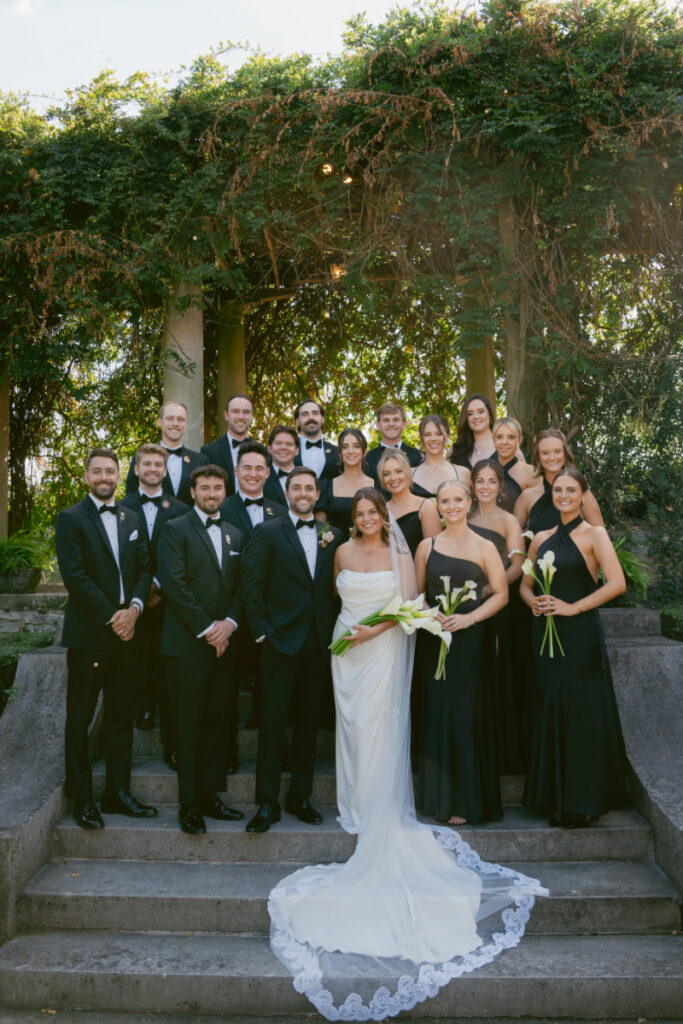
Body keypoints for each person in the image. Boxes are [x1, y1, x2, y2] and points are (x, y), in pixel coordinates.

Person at [269, 487, 546, 1020]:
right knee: (350, 728)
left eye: (375, 511)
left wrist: (376, 628)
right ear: (353, 520)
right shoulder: (341, 552)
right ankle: (352, 802)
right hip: (344, 647)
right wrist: (353, 630)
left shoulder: (405, 551)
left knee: (381, 728)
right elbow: (333, 595)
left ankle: (378, 803)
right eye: (361, 513)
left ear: (384, 517)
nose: (369, 517)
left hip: (385, 645)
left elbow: (408, 605)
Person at [55, 448, 157, 830]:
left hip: (129, 631)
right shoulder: (70, 519)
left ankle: (118, 791)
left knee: (120, 716)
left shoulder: (132, 516)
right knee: (79, 719)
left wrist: (133, 609)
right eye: (96, 471)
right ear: (85, 477)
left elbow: (145, 566)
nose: (103, 477)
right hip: (89, 635)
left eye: (109, 471)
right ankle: (82, 798)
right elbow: (75, 576)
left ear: (119, 476)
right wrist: (112, 617)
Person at [520, 467, 629, 826]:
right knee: (551, 706)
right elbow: (525, 585)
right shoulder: (539, 538)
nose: (563, 495)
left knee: (580, 712)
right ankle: (552, 795)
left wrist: (573, 607)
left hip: (580, 633)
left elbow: (616, 584)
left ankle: (583, 798)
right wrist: (532, 602)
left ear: (583, 495)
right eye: (558, 489)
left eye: (571, 490)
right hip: (545, 636)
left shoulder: (594, 534)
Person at [241, 467, 343, 834]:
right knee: (271, 725)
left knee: (307, 725)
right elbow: (251, 586)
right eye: (296, 487)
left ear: (317, 495)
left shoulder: (334, 535)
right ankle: (266, 803)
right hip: (278, 643)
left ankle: (300, 797)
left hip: (318, 643)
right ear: (287, 494)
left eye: (309, 488)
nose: (303, 493)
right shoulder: (267, 532)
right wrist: (262, 633)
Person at [157, 465, 244, 835]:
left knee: (216, 723)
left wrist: (230, 624)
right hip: (187, 646)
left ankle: (210, 796)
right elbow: (174, 586)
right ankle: (188, 805)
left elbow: (242, 585)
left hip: (225, 644)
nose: (211, 493)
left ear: (225, 491)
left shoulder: (235, 533)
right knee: (189, 724)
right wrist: (210, 629)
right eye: (205, 488)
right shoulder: (174, 529)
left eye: (217, 488)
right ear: (192, 492)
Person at [415, 478, 508, 825]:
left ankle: (467, 799)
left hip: (471, 643)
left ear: (468, 503)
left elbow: (501, 594)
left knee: (467, 713)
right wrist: (429, 614)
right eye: (445, 500)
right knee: (440, 711)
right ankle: (440, 798)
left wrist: (469, 620)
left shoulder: (485, 546)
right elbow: (417, 592)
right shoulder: (426, 546)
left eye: (458, 499)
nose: (452, 506)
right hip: (435, 640)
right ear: (437, 506)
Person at [119, 444, 186, 763]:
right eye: (147, 464)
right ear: (136, 469)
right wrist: (136, 593)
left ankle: (172, 747)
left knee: (169, 673)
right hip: (128, 602)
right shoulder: (120, 507)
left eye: (158, 464)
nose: (153, 469)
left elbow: (184, 559)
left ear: (165, 470)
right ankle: (134, 725)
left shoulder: (181, 509)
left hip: (167, 602)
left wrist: (157, 587)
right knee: (129, 669)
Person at [219, 441, 288, 750]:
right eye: (247, 467)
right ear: (236, 471)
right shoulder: (221, 508)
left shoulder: (281, 510)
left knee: (272, 685)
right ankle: (229, 749)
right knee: (227, 684)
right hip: (229, 608)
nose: (253, 473)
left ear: (267, 472)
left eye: (260, 468)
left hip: (270, 610)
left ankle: (274, 750)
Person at [468, 460, 531, 773]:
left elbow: (517, 567)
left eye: (492, 481)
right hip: (465, 606)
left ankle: (502, 752)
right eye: (480, 481)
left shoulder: (508, 521)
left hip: (498, 605)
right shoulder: (462, 515)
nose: (485, 487)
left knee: (496, 671)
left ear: (500, 485)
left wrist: (491, 591)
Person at [514, 428, 604, 533]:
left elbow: (600, 534)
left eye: (557, 451)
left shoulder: (582, 493)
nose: (552, 458)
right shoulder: (527, 497)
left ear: (565, 453)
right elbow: (514, 541)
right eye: (545, 453)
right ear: (538, 456)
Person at [125, 401, 209, 506]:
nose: (175, 423)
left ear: (186, 424)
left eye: (180, 419)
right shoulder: (141, 458)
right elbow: (131, 497)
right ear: (159, 422)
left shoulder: (201, 461)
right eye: (170, 419)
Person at [378, 448, 441, 558]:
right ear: (382, 479)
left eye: (399, 471)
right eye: (386, 474)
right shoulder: (381, 510)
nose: (393, 478)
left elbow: (434, 555)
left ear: (407, 472)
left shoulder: (425, 507)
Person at [315, 428, 374, 537]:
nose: (350, 451)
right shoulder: (327, 486)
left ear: (364, 451)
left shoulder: (377, 486)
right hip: (334, 550)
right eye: (345, 447)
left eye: (356, 446)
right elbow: (320, 530)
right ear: (340, 453)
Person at [200, 393, 254, 496]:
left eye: (246, 412)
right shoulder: (209, 452)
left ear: (252, 416)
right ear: (226, 415)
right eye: (235, 411)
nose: (241, 417)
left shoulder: (263, 453)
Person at [411, 413, 470, 497]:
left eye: (439, 434)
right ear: (421, 438)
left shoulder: (463, 473)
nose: (433, 439)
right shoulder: (410, 474)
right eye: (427, 434)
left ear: (447, 436)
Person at [365, 402, 422, 485]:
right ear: (378, 425)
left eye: (396, 420)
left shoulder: (419, 457)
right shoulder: (366, 460)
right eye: (386, 420)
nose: (391, 424)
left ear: (404, 424)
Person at [491, 416, 536, 511]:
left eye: (511, 437)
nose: (504, 442)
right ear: (494, 441)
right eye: (499, 437)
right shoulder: (483, 469)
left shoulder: (530, 472)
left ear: (519, 441)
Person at [293, 399, 339, 481]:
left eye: (315, 413)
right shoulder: (288, 451)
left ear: (322, 419)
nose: (311, 417)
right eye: (305, 414)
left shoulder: (337, 452)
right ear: (297, 421)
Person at [263, 424, 299, 505]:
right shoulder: (260, 479)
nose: (283, 447)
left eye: (289, 444)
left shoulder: (308, 477)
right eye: (278, 443)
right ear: (269, 448)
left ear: (297, 450)